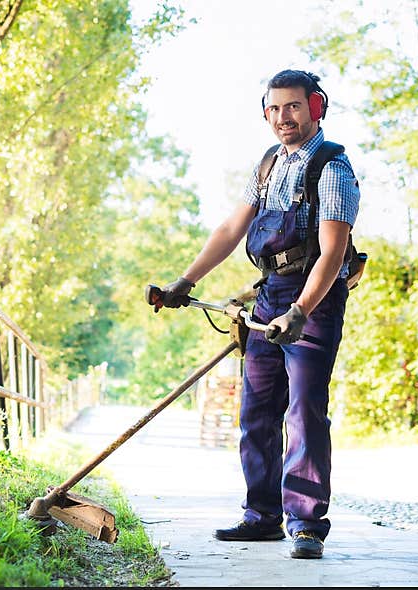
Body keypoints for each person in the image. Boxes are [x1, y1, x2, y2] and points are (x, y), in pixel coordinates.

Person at [154, 69, 360, 559]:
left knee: (304, 411)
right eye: (274, 108)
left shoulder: (333, 169)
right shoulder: (268, 165)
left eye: (293, 106)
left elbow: (333, 251)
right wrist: (185, 282)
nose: (282, 117)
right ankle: (262, 516)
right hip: (269, 295)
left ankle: (307, 524)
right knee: (257, 413)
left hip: (314, 297)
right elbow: (231, 229)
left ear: (316, 107)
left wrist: (301, 312)